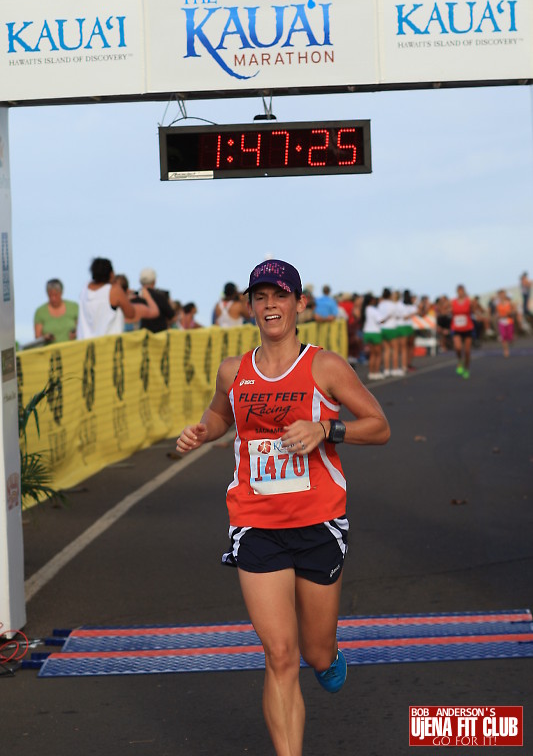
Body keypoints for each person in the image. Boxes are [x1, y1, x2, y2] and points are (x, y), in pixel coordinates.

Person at [176, 258, 390, 756]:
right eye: (261, 296)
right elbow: (218, 414)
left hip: (318, 522)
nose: (270, 305)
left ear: (298, 305)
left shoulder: (325, 365)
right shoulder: (235, 371)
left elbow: (378, 426)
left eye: (280, 296)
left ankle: (329, 656)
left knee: (314, 652)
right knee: (279, 654)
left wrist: (326, 430)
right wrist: (202, 430)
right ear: (250, 305)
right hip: (256, 522)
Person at [77, 258, 158, 339]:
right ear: (111, 274)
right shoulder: (114, 290)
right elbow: (131, 313)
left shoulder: (85, 288)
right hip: (108, 345)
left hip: (85, 344)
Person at [33, 279, 78, 344]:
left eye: (56, 295)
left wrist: (76, 333)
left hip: (71, 350)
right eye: (50, 295)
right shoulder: (40, 312)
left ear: (61, 292)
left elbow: (82, 327)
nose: (53, 298)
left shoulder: (74, 307)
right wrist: (44, 337)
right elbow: (37, 337)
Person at [138, 267, 176, 333]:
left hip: (142, 338)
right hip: (159, 337)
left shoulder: (136, 296)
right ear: (154, 281)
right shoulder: (160, 296)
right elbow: (172, 317)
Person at [450, 284, 475, 379]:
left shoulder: (469, 301)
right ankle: (460, 361)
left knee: (467, 351)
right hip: (456, 328)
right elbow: (445, 309)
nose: (460, 293)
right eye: (459, 291)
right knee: (458, 347)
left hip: (467, 328)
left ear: (464, 291)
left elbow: (474, 310)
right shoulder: (452, 302)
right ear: (457, 292)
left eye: (462, 291)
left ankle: (467, 368)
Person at [361, 293, 384, 380]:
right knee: (378, 354)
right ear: (371, 300)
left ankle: (371, 372)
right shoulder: (374, 310)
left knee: (372, 354)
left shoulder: (364, 309)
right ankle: (376, 372)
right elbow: (380, 321)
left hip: (367, 332)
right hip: (375, 332)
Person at [495, 289, 517, 358]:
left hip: (509, 321)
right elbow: (497, 313)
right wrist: (498, 315)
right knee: (503, 336)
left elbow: (514, 310)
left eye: (503, 294)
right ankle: (506, 351)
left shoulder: (509, 303)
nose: (502, 296)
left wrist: (509, 313)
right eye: (500, 295)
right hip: (501, 321)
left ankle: (511, 339)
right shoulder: (498, 304)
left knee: (509, 336)